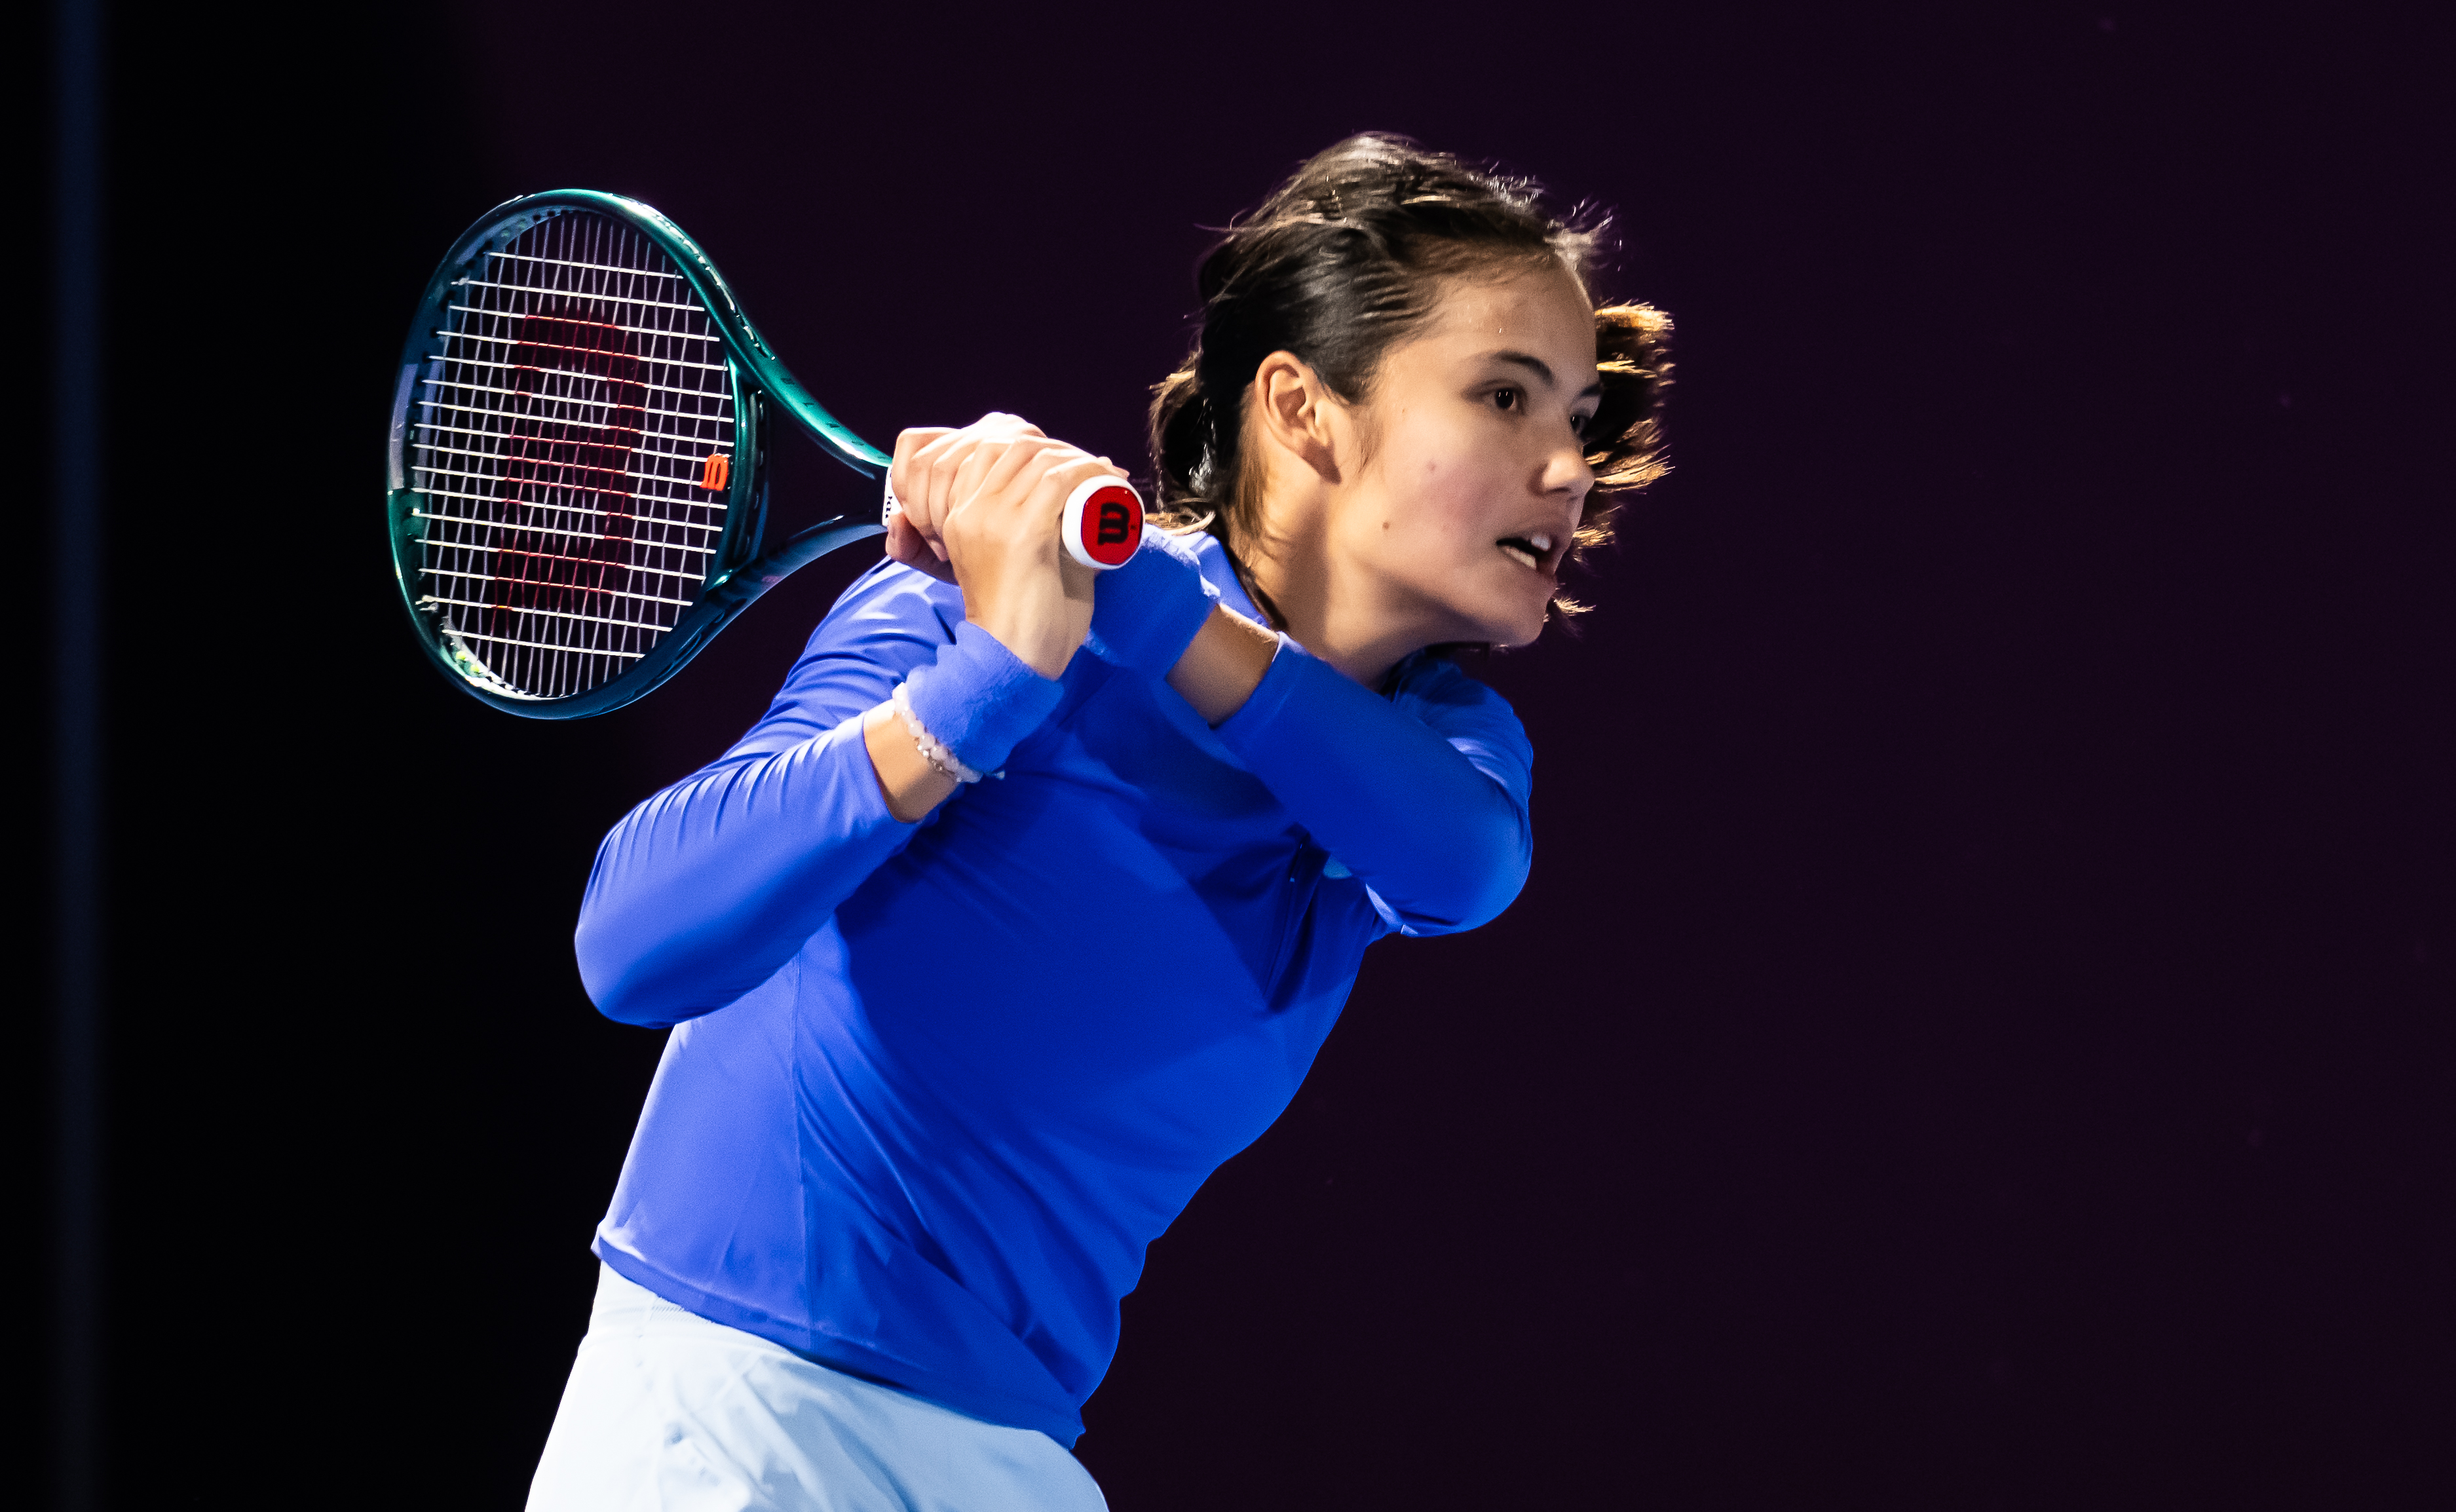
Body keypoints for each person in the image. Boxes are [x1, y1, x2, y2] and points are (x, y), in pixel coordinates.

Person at [526, 133, 1671, 1511]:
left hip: (1002, 1452)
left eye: (1578, 418)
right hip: (726, 1413)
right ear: (1303, 411)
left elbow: (1465, 864)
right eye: (1506, 397)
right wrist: (985, 686)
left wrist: (1146, 611)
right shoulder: (958, 613)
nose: (1568, 468)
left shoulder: (1445, 748)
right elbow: (632, 944)